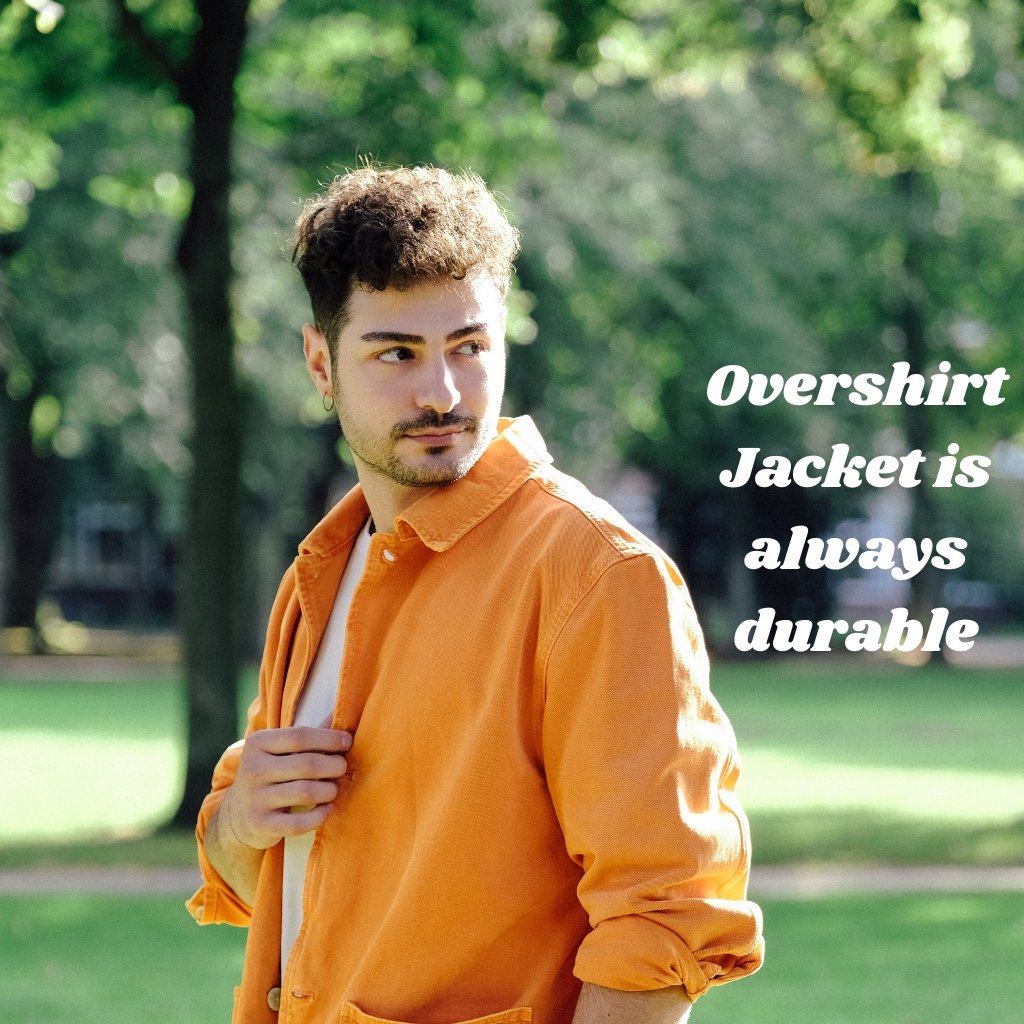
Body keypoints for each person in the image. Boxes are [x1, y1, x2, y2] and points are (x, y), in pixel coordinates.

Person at [187, 165, 764, 1024]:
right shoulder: (323, 568)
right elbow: (277, 881)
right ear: (321, 363)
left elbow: (663, 919)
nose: (441, 394)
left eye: (469, 346)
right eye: (396, 353)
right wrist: (239, 823)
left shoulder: (596, 573)